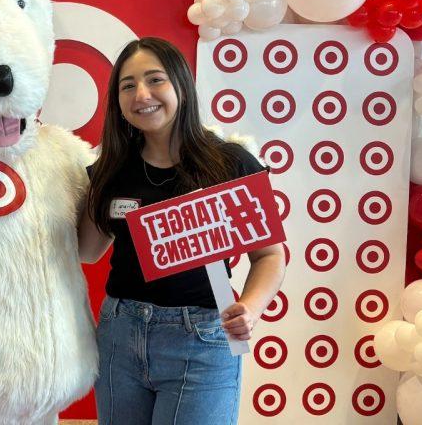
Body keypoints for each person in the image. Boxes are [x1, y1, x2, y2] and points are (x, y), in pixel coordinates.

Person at [78, 37, 286, 424]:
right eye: (128, 85)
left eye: (155, 80)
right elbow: (88, 250)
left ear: (181, 87)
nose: (142, 94)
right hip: (120, 334)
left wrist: (252, 308)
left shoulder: (230, 163)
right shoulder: (109, 169)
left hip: (205, 336)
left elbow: (270, 256)